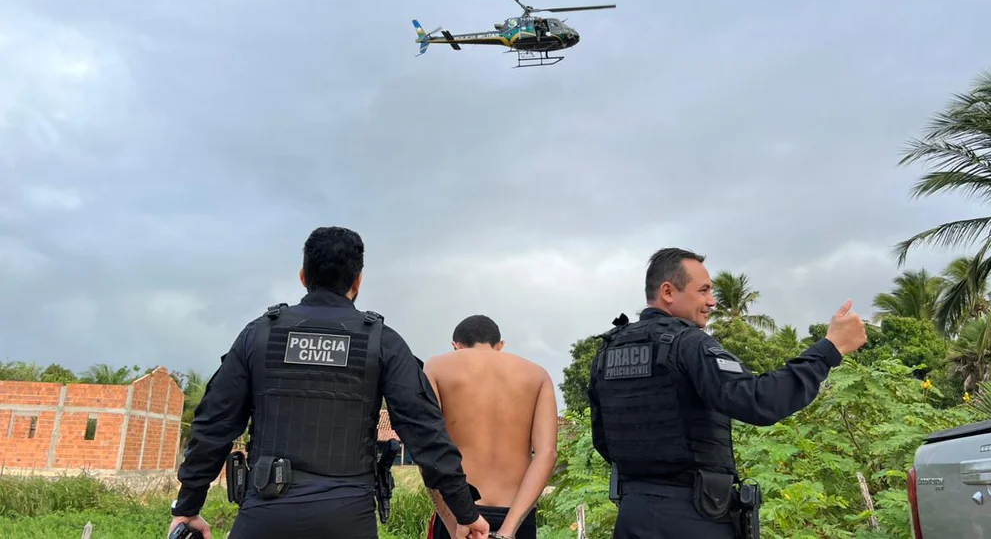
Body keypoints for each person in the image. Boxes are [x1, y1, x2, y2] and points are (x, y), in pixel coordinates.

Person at [167, 226, 491, 539]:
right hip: (348, 518)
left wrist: (188, 507)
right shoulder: (382, 342)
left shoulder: (259, 335)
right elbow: (425, 432)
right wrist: (465, 513)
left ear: (303, 276)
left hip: (265, 513)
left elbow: (214, 425)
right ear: (358, 281)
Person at [587, 247, 868, 539]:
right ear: (668, 292)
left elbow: (603, 440)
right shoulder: (688, 344)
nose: (712, 301)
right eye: (704, 290)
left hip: (632, 516)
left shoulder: (607, 352)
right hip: (695, 517)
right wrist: (829, 350)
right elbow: (759, 400)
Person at [422, 315, 559, 539]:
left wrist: (453, 525)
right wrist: (508, 531)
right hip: (516, 514)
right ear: (500, 346)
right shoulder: (538, 375)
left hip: (460, 511)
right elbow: (547, 453)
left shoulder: (436, 368)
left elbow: (428, 449)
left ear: (456, 346)